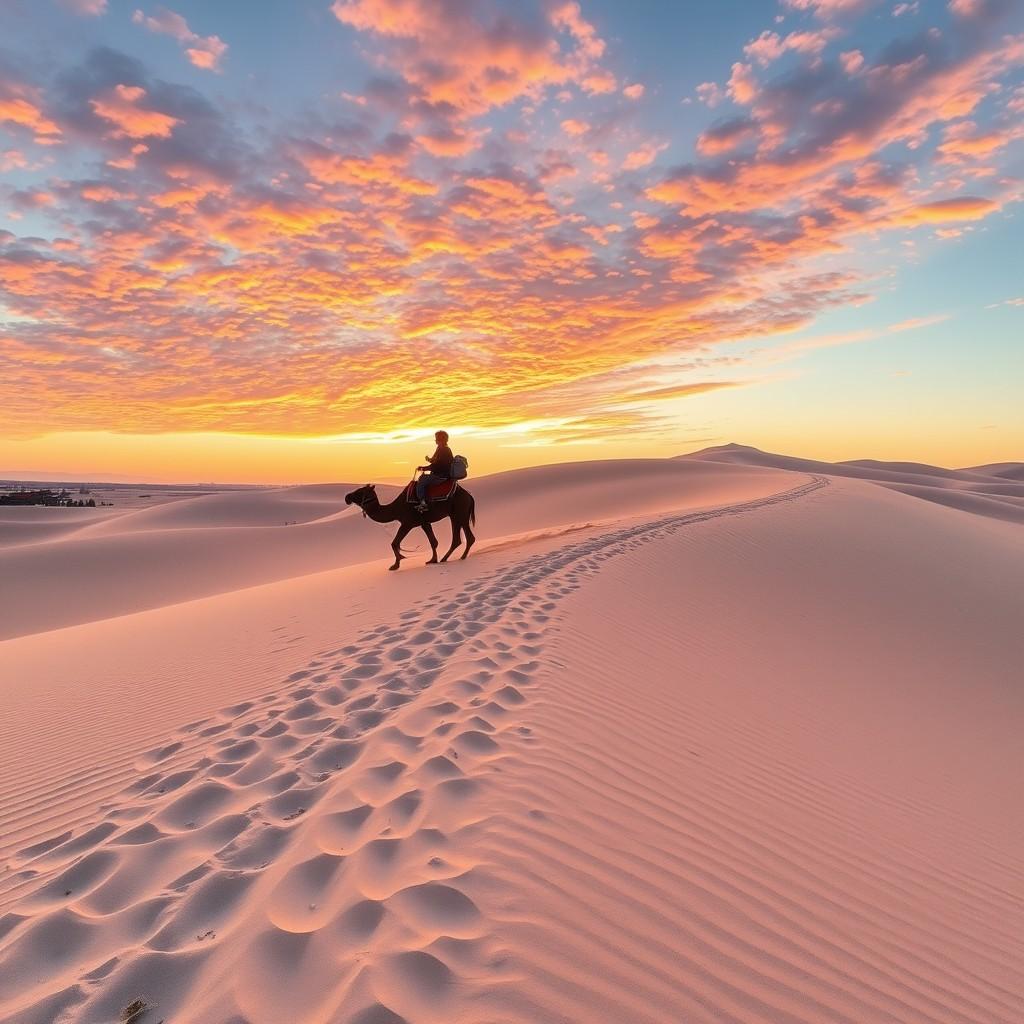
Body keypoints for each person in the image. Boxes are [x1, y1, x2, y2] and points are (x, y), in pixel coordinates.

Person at [415, 430, 454, 512]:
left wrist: (424, 468)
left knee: (421, 481)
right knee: (424, 477)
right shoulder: (441, 449)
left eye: (437, 439)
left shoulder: (444, 450)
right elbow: (434, 461)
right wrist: (428, 460)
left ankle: (423, 503)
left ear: (441, 439)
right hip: (440, 474)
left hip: (441, 476)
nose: (435, 440)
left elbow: (437, 465)